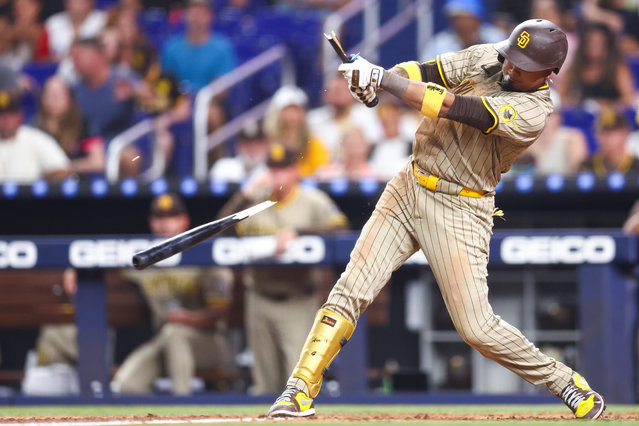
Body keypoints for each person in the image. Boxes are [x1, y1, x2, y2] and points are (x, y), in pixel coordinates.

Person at [267, 19, 606, 420]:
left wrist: (383, 80)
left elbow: (454, 106)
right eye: (513, 57)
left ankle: (561, 380)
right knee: (350, 288)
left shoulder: (534, 111)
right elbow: (425, 73)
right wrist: (376, 81)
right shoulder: (488, 57)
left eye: (524, 65)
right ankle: (297, 389)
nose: (511, 68)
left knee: (476, 328)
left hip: (461, 207)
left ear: (550, 73)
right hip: (409, 184)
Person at [218, 143, 348, 395]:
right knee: (264, 385)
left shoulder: (312, 201)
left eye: (284, 169)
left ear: (295, 171)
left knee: (298, 382)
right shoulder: (256, 202)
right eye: (273, 169)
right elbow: (223, 230)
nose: (278, 175)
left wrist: (300, 233)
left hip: (297, 298)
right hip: (259, 298)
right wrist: (245, 193)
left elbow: (340, 230)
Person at [112, 193, 234, 395]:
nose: (165, 223)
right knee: (126, 385)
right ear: (151, 222)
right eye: (159, 217)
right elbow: (111, 268)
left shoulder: (203, 252)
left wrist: (189, 318)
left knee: (175, 332)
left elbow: (219, 312)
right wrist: (76, 269)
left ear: (184, 220)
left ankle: (183, 404)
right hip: (163, 339)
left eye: (171, 217)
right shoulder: (145, 257)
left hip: (208, 342)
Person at [70, 37, 140, 176]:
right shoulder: (74, 88)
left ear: (95, 55)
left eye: (78, 57)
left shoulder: (122, 77)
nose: (74, 63)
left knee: (132, 158)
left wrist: (135, 92)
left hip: (122, 143)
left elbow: (152, 98)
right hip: (85, 145)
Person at [0, 65, 71, 183]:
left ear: (20, 116)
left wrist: (36, 186)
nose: (6, 119)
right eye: (1, 114)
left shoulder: (34, 138)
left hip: (27, 200)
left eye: (11, 114)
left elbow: (64, 171)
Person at [160, 0, 237, 94]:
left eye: (201, 9)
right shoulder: (171, 47)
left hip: (208, 102)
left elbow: (222, 91)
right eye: (192, 8)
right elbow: (165, 83)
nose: (196, 14)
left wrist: (199, 101)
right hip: (177, 103)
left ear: (210, 15)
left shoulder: (223, 49)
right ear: (184, 14)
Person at [35, 76, 106, 176]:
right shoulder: (33, 128)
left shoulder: (83, 125)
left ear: (69, 98)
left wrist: (67, 168)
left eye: (59, 95)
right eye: (50, 94)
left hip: (77, 184)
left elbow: (98, 162)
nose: (54, 99)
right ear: (42, 99)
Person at [560, 22, 636, 108]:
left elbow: (628, 98)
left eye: (598, 43)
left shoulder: (616, 69)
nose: (593, 47)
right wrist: (573, 104)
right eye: (590, 42)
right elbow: (561, 98)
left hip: (609, 117)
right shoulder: (574, 68)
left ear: (607, 46)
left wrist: (606, 105)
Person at [263, 86, 330, 177]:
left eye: (296, 110)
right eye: (287, 110)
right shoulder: (269, 141)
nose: (292, 115)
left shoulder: (313, 142)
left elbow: (322, 168)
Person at [420, 0, 506, 62]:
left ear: (476, 17)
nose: (459, 22)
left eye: (464, 16)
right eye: (455, 17)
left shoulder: (497, 37)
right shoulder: (438, 45)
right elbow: (425, 76)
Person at [578, 108, 639, 177]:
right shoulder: (587, 166)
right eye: (602, 132)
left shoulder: (636, 166)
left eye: (611, 133)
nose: (605, 138)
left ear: (625, 134)